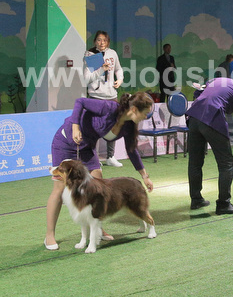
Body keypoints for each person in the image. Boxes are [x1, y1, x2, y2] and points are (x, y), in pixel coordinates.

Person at [45, 91, 155, 249]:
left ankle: (96, 224)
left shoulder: (129, 126)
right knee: (59, 189)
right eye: (145, 113)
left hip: (87, 146)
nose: (146, 117)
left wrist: (144, 176)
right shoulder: (109, 108)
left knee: (98, 181)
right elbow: (80, 101)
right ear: (134, 109)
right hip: (66, 142)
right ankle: (49, 235)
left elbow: (131, 151)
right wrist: (75, 127)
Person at [185, 77, 233, 214]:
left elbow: (198, 93)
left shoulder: (218, 80)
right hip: (212, 118)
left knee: (195, 162)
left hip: (194, 116)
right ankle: (224, 204)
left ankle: (196, 199)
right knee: (226, 163)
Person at [84, 31, 124, 167]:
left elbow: (118, 69)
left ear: (108, 42)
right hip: (96, 97)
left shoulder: (112, 53)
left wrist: (120, 79)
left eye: (104, 40)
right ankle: (93, 159)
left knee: (113, 127)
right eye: (99, 40)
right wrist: (101, 69)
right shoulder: (91, 55)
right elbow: (87, 79)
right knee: (94, 128)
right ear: (95, 41)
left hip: (112, 96)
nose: (102, 43)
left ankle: (110, 156)